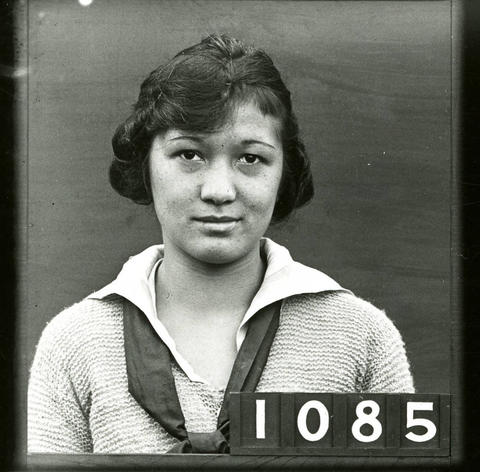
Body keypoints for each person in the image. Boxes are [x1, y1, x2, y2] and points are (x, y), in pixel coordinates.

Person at [28, 34, 414, 454]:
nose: (218, 191)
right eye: (190, 154)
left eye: (251, 158)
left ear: (283, 171)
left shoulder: (359, 337)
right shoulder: (76, 343)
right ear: (146, 165)